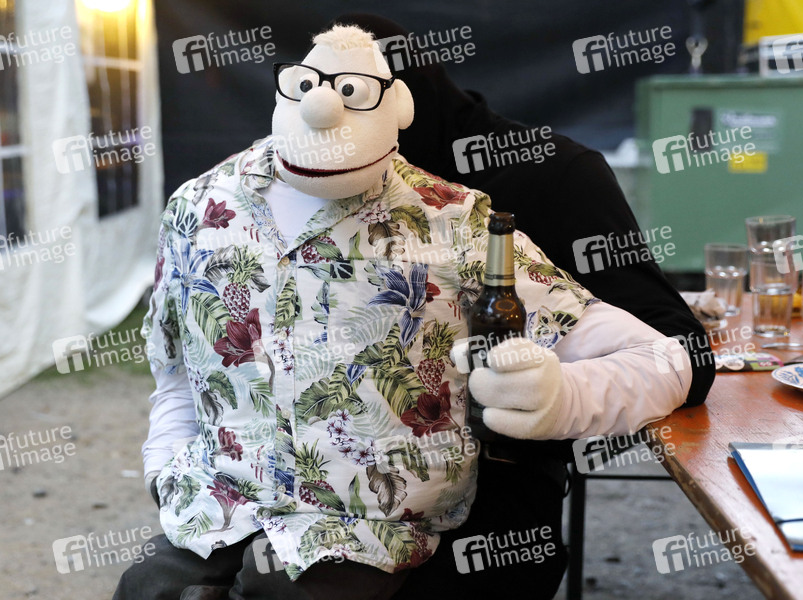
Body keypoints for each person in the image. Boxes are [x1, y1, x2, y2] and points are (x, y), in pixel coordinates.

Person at [115, 23, 696, 600]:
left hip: (364, 529)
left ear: (397, 106)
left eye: (352, 92)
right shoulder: (199, 207)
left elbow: (663, 359)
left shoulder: (456, 223)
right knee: (146, 588)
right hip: (216, 508)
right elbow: (177, 368)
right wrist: (163, 467)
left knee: (285, 593)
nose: (323, 108)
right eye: (308, 86)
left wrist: (558, 397)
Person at [328, 14, 716, 599]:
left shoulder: (545, 178)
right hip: (317, 497)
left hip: (491, 497)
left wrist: (558, 397)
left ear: (401, 102)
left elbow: (682, 353)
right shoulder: (306, 178)